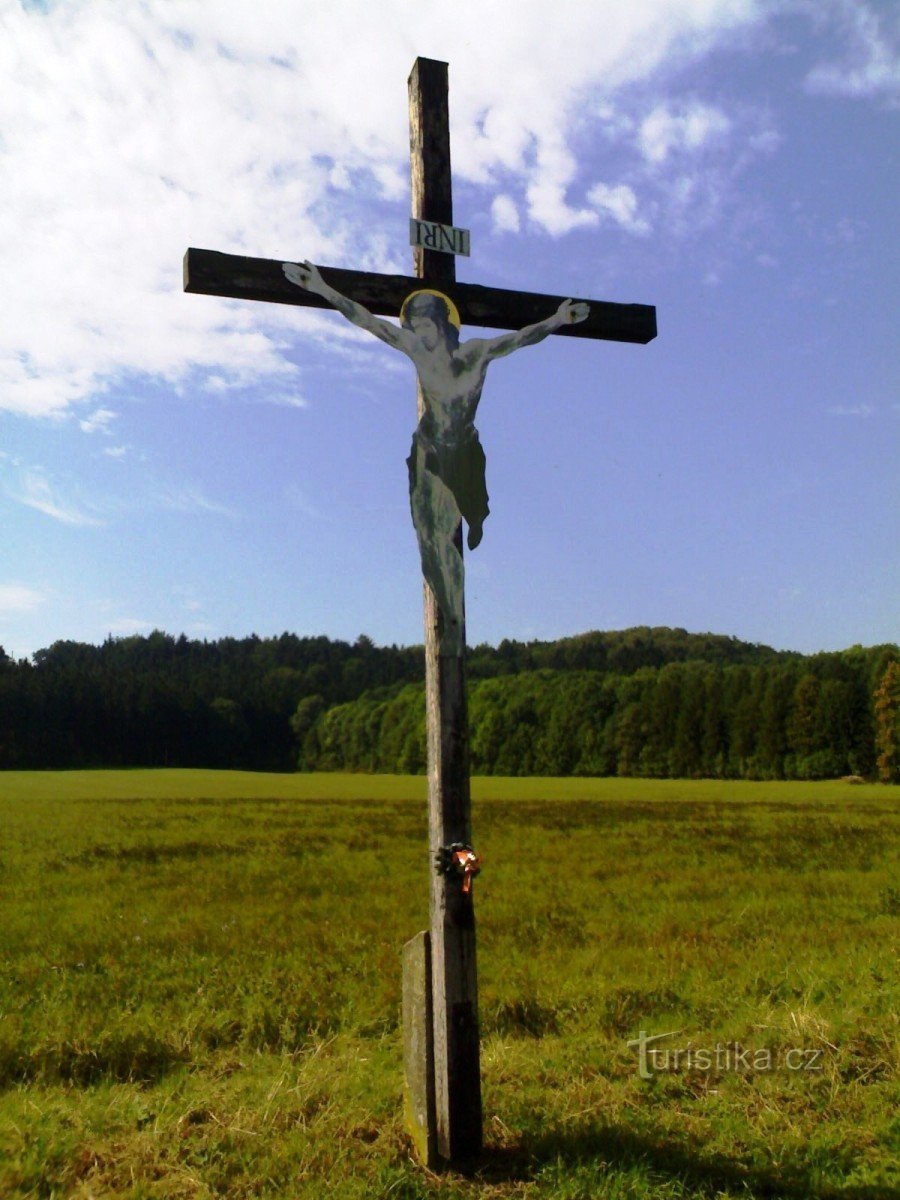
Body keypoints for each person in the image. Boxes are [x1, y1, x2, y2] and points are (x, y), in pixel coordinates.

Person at [282, 260, 589, 655]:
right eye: (413, 328)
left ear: (442, 325)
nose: (416, 335)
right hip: (428, 451)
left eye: (423, 327)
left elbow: (520, 338)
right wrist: (323, 289)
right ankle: (453, 619)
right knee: (431, 539)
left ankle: (474, 524)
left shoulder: (478, 353)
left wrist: (558, 319)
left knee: (462, 523)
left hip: (463, 450)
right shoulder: (415, 350)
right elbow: (371, 322)